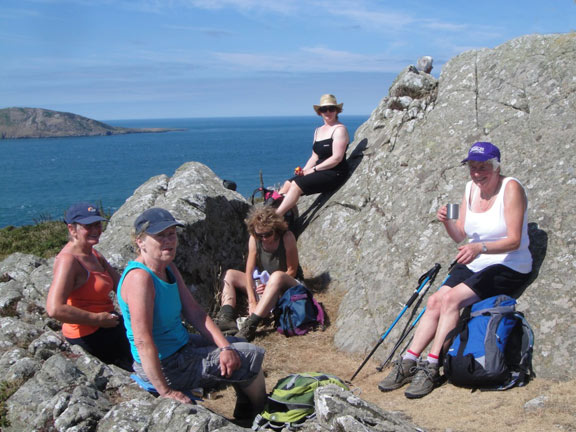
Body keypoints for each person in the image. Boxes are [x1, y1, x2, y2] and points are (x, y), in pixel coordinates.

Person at [378, 142, 532, 399]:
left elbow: (515, 240)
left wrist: (480, 247)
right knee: (435, 300)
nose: (477, 173)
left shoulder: (511, 188)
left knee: (450, 299)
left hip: (509, 264)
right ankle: (408, 360)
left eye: (483, 167)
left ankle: (432, 365)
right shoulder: (470, 188)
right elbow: (460, 234)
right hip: (476, 259)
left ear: (496, 166)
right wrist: (447, 222)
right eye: (472, 167)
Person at [117, 207, 266, 417]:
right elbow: (142, 340)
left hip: (180, 346)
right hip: (165, 365)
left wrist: (224, 347)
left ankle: (246, 408)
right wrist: (166, 391)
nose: (169, 241)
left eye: (172, 234)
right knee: (250, 356)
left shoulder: (168, 267)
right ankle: (262, 411)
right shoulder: (140, 279)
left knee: (237, 347)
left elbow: (194, 312)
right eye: (160, 236)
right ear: (140, 242)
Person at [46, 202, 133, 371]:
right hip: (88, 335)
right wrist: (97, 319)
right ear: (72, 229)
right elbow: (54, 309)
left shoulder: (93, 253)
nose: (95, 230)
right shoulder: (68, 261)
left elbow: (122, 287)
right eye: (88, 226)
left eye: (97, 224)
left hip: (109, 324)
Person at [214, 206, 301, 342]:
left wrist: (270, 285)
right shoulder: (254, 239)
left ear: (275, 229)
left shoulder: (287, 237)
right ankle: (226, 318)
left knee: (277, 276)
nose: (264, 238)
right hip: (263, 282)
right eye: (260, 235)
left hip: (285, 284)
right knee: (229, 274)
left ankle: (251, 326)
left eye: (268, 234)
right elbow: (249, 271)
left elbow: (292, 270)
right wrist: (252, 301)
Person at [275, 94, 349, 216]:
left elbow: (337, 158)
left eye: (331, 108)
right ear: (320, 112)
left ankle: (277, 217)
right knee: (288, 183)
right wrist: (304, 171)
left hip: (334, 172)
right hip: (320, 170)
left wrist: (313, 170)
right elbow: (314, 156)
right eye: (324, 109)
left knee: (296, 185)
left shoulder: (340, 129)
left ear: (337, 110)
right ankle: (276, 210)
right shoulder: (318, 131)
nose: (328, 112)